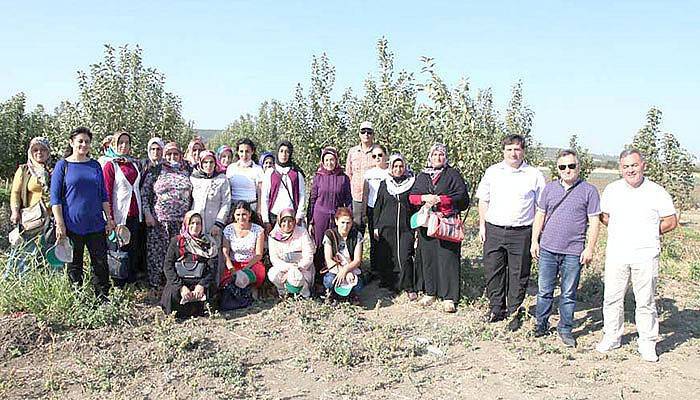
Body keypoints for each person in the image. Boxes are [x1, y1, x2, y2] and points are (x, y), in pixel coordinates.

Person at [595, 149, 677, 362]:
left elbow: (670, 221)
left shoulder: (656, 192)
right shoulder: (612, 190)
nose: (630, 170)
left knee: (645, 300)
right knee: (612, 297)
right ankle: (612, 337)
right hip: (617, 253)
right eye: (626, 166)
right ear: (620, 168)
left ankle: (648, 342)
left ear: (643, 165)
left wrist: (648, 231)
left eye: (634, 165)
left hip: (646, 254)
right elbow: (604, 217)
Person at [530, 150, 601, 347]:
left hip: (573, 251)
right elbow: (540, 216)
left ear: (579, 167)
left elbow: (594, 222)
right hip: (548, 249)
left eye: (571, 166)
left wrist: (589, 248)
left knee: (568, 293)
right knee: (544, 290)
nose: (567, 170)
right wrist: (534, 241)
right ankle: (541, 324)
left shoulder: (589, 191)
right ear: (557, 169)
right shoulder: (550, 189)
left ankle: (565, 329)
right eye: (563, 167)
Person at [476, 134, 545, 328]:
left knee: (519, 273)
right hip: (494, 229)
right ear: (503, 151)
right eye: (509, 149)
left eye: (517, 149)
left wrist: (536, 236)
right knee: (493, 270)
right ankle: (496, 309)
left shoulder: (534, 175)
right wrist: (482, 225)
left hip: (522, 232)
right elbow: (483, 199)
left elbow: (542, 207)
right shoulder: (493, 172)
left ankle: (515, 312)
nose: (513, 153)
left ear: (523, 151)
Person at [50, 127, 112, 300]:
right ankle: (78, 300)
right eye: (80, 141)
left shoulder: (95, 165)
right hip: (72, 225)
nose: (84, 145)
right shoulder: (63, 166)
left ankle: (102, 299)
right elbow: (55, 199)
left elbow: (103, 194)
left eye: (87, 142)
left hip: (96, 224)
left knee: (100, 265)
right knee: (74, 265)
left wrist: (109, 218)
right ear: (72, 142)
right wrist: (60, 224)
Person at [409, 144, 469, 313]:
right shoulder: (423, 175)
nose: (437, 157)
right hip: (427, 224)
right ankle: (430, 292)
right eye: (434, 154)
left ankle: (449, 297)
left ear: (445, 157)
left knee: (447, 258)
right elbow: (412, 197)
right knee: (428, 258)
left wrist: (441, 199)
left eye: (441, 154)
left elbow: (462, 197)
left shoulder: (453, 175)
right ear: (430, 156)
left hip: (445, 224)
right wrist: (424, 197)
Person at [142, 142, 193, 288]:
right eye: (169, 154)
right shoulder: (156, 171)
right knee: (157, 255)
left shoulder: (187, 170)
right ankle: (156, 285)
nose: (172, 157)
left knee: (178, 254)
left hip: (181, 222)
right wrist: (147, 214)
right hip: (159, 221)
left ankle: (176, 286)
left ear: (180, 155)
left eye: (175, 154)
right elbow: (145, 194)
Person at [372, 154, 418, 297]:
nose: (398, 169)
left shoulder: (412, 183)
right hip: (386, 226)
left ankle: (408, 286)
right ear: (390, 167)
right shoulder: (385, 184)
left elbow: (415, 208)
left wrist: (416, 228)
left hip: (405, 227)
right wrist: (376, 226)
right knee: (389, 257)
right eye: (395, 166)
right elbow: (378, 206)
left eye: (401, 166)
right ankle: (392, 286)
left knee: (404, 256)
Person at [102, 131, 143, 286]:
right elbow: (106, 192)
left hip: (134, 214)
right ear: (114, 144)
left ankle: (130, 282)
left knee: (132, 249)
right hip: (119, 216)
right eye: (120, 142)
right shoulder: (110, 165)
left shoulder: (133, 164)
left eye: (127, 142)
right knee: (118, 250)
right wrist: (109, 218)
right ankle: (117, 284)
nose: (124, 146)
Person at [7, 137, 52, 274]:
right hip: (31, 219)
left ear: (48, 152)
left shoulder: (53, 170)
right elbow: (15, 192)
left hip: (50, 220)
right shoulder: (24, 170)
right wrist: (15, 212)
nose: (39, 152)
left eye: (43, 149)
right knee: (24, 253)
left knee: (47, 254)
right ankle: (17, 280)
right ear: (30, 152)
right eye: (35, 150)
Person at [160, 211, 217, 318]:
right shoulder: (177, 242)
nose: (195, 226)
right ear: (186, 224)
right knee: (172, 295)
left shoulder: (208, 243)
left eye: (198, 223)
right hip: (181, 282)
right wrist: (181, 287)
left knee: (208, 297)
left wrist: (201, 285)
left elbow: (212, 268)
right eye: (192, 223)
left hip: (199, 282)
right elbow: (168, 266)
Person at [307, 147, 352, 275]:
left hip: (337, 217)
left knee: (335, 245)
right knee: (320, 245)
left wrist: (348, 218)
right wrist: (311, 221)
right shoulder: (318, 177)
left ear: (336, 160)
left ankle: (333, 275)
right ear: (322, 161)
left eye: (332, 160)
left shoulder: (343, 178)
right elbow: (312, 199)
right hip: (320, 216)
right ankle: (318, 278)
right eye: (326, 160)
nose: (329, 163)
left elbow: (348, 199)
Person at [220, 201, 266, 308]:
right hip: (234, 263)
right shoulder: (228, 229)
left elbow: (259, 254)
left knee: (247, 275)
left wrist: (245, 268)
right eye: (238, 214)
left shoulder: (258, 230)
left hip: (252, 263)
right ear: (234, 215)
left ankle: (250, 289)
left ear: (250, 214)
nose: (241, 217)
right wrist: (231, 268)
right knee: (229, 279)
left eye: (244, 214)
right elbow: (225, 252)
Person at [268, 208, 316, 298]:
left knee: (296, 277)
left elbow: (308, 256)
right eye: (284, 221)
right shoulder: (274, 236)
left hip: (302, 269)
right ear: (279, 221)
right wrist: (290, 269)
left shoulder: (302, 232)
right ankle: (283, 292)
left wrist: (295, 268)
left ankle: (304, 294)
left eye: (290, 221)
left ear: (294, 221)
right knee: (272, 274)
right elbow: (274, 259)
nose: (287, 224)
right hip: (284, 269)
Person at [260, 140, 306, 232]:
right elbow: (265, 197)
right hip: (273, 216)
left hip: (291, 217)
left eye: (287, 152)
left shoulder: (296, 173)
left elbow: (302, 196)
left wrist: (299, 216)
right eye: (281, 151)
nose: (284, 154)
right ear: (277, 152)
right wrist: (266, 220)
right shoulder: (270, 173)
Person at [322, 207, 364, 303]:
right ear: (336, 221)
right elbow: (328, 260)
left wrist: (346, 270)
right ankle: (331, 293)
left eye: (348, 223)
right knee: (330, 281)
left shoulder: (357, 235)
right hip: (335, 268)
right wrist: (341, 271)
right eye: (342, 222)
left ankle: (351, 295)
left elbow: (357, 260)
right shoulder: (329, 235)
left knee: (359, 286)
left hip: (351, 269)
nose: (345, 226)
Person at [362, 144, 390, 281]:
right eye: (374, 156)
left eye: (380, 155)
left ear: (386, 156)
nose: (378, 158)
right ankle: (374, 270)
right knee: (374, 240)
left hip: (387, 209)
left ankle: (387, 269)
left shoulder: (390, 172)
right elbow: (366, 194)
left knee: (387, 239)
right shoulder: (369, 174)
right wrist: (364, 212)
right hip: (373, 209)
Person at [190, 150, 231, 240]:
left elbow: (226, 203)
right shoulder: (194, 178)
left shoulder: (222, 179)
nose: (208, 165)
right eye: (205, 162)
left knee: (213, 249)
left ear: (215, 163)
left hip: (214, 223)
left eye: (211, 162)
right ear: (200, 163)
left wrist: (218, 223)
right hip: (196, 223)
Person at [345, 121, 376, 234]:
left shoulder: (378, 152)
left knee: (375, 231)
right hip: (356, 197)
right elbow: (348, 173)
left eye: (369, 132)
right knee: (357, 230)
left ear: (373, 134)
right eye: (363, 132)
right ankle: (357, 252)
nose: (366, 134)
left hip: (373, 198)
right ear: (359, 134)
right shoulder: (353, 152)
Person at [226, 138, 264, 216]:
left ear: (252, 152)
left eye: (247, 151)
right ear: (238, 152)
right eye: (241, 151)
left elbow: (260, 192)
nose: (244, 155)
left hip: (251, 208)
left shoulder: (258, 169)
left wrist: (259, 210)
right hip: (234, 208)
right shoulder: (231, 168)